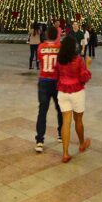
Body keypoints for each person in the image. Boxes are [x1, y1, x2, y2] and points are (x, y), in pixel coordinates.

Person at [54, 35, 92, 163]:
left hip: (62, 92)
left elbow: (56, 75)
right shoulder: (78, 60)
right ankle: (81, 144)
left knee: (66, 122)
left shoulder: (59, 60)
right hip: (77, 92)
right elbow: (84, 78)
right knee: (78, 120)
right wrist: (88, 65)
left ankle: (65, 153)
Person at [35, 25, 62, 153]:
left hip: (44, 80)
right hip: (57, 81)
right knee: (60, 109)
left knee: (42, 111)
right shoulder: (59, 47)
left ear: (46, 35)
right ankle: (61, 134)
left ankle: (39, 140)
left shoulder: (41, 47)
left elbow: (40, 60)